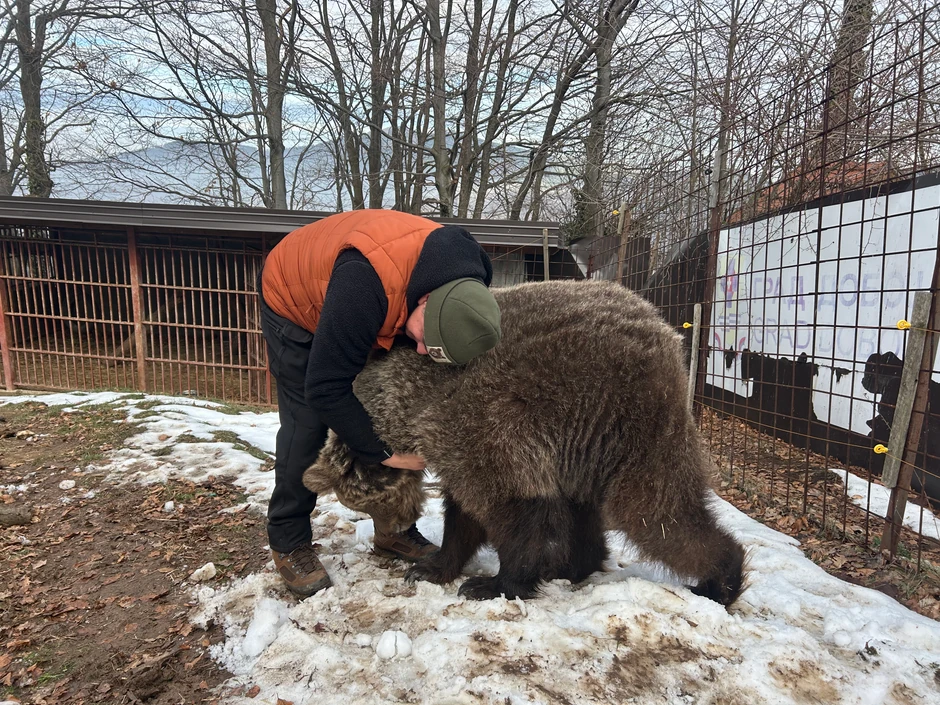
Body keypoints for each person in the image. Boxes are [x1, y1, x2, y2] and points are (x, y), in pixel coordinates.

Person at [257, 209, 502, 597]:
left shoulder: (467, 293)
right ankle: (288, 540)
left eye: (433, 348)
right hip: (295, 298)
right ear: (426, 300)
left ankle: (395, 528)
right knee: (307, 423)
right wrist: (387, 455)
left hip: (385, 302)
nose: (420, 351)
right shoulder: (362, 286)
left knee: (397, 410)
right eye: (424, 340)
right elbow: (325, 388)